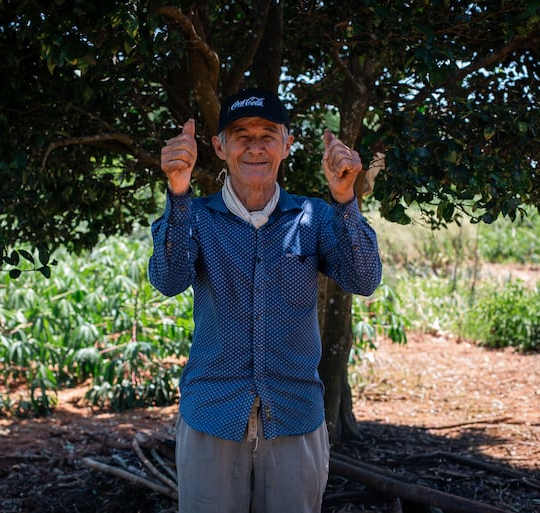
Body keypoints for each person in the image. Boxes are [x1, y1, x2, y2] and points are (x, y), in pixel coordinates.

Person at [148, 87, 382, 513]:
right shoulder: (195, 217)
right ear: (219, 147)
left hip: (294, 414)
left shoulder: (314, 217)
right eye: (241, 135)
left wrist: (346, 198)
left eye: (268, 135)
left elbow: (364, 278)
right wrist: (177, 193)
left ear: (287, 144)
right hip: (211, 414)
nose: (255, 147)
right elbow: (168, 279)